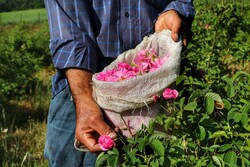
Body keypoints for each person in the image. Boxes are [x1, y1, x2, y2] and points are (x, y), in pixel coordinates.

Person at [43, 0, 195, 166]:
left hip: (154, 75)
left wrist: (174, 10)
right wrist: (85, 100)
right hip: (83, 79)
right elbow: (70, 30)